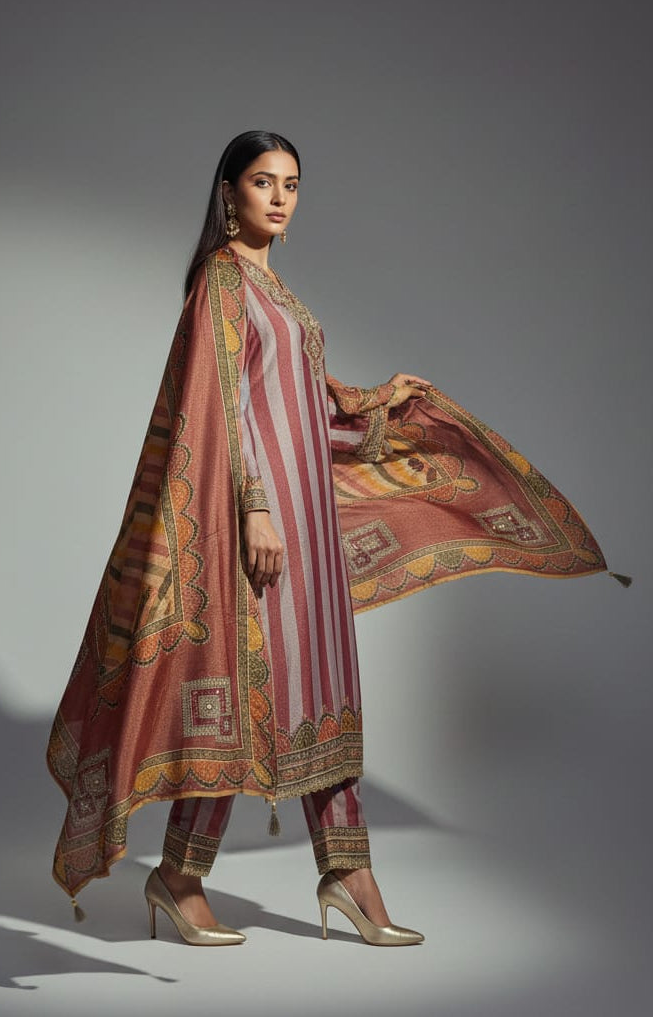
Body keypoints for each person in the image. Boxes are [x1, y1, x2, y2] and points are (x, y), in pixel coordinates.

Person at [47, 130, 612, 947]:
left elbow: (302, 402)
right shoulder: (222, 281)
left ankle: (340, 870)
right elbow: (222, 408)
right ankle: (184, 877)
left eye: (292, 184)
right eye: (262, 182)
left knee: (317, 690)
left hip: (305, 522)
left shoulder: (282, 292)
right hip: (263, 519)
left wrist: (378, 400)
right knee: (247, 695)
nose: (279, 198)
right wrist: (252, 506)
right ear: (228, 193)